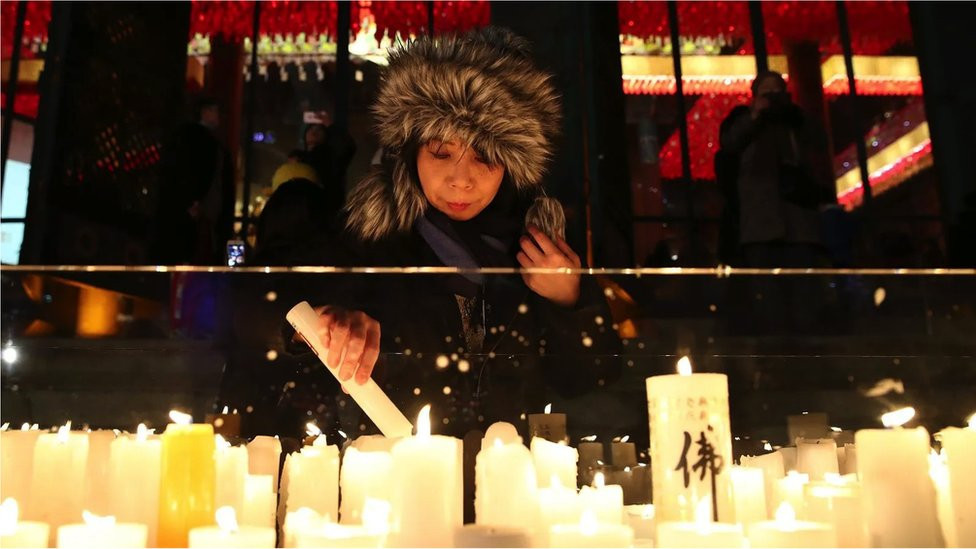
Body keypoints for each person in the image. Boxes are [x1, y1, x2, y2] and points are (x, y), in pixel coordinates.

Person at [297, 27, 620, 438]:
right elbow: (267, 314)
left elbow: (590, 378)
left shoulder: (539, 242)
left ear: (511, 163)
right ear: (413, 152)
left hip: (512, 476)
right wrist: (330, 321)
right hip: (399, 476)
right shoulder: (373, 236)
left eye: (485, 156)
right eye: (441, 153)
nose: (462, 181)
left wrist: (570, 299)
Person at [718, 72, 834, 334]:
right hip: (761, 227)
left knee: (805, 302)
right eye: (766, 94)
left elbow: (820, 140)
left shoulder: (796, 122)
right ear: (754, 97)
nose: (773, 100)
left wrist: (793, 113)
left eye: (777, 93)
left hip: (799, 225)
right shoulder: (743, 121)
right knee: (769, 305)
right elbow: (730, 144)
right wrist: (757, 116)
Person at [152, 97, 235, 265]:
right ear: (205, 112)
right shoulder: (206, 143)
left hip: (189, 213)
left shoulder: (184, 138)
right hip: (199, 214)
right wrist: (193, 201)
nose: (220, 116)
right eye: (216, 110)